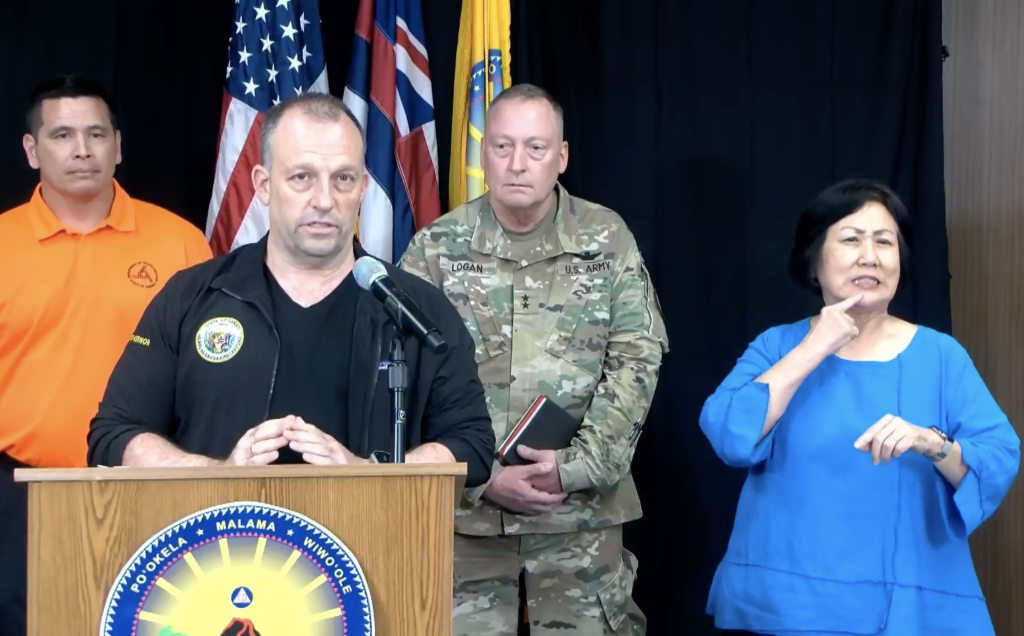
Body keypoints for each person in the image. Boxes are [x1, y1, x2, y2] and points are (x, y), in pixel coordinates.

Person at [86, 93, 495, 493]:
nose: (324, 200)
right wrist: (218, 472)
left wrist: (369, 473)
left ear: (363, 188)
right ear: (263, 185)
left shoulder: (416, 309)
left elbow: (472, 445)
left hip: (368, 536)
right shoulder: (191, 296)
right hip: (224, 536)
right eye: (302, 177)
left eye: (343, 178)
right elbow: (114, 435)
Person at [399, 84, 668, 635]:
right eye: (502, 147)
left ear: (561, 156)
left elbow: (637, 357)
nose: (517, 163)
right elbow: (402, 374)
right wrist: (480, 478)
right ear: (484, 154)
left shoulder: (605, 238)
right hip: (465, 523)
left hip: (580, 520)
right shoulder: (436, 248)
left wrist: (575, 468)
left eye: (535, 148)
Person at [699, 179, 1020, 636]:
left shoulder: (941, 355)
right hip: (791, 606)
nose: (870, 256)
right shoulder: (777, 346)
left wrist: (931, 441)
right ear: (814, 262)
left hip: (911, 607)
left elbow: (998, 459)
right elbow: (729, 433)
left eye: (884, 242)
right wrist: (814, 347)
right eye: (851, 239)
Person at [0, 75, 213, 636]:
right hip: (21, 495)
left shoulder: (180, 243)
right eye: (62, 135)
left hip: (153, 490)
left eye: (96, 134)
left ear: (118, 146)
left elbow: (212, 371)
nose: (82, 150)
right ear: (31, 150)